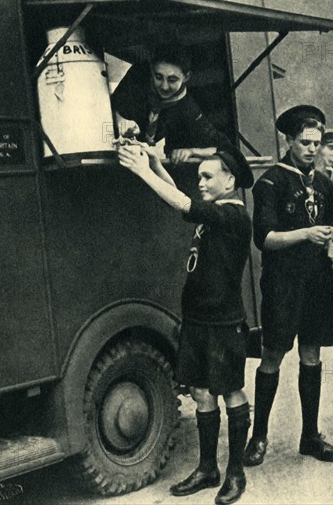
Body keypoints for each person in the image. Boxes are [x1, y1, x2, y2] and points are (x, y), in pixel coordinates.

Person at [118, 141, 254, 505]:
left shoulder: (234, 215)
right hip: (197, 320)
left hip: (223, 323)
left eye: (208, 176)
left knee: (229, 391)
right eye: (199, 177)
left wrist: (142, 170)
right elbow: (183, 200)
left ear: (230, 180)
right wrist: (154, 163)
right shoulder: (213, 211)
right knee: (201, 392)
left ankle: (235, 473)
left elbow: (184, 203)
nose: (202, 182)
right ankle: (208, 469)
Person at [244, 105, 333, 467]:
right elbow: (264, 239)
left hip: (317, 282)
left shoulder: (326, 184)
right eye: (305, 142)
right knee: (272, 354)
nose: (312, 149)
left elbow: (331, 233)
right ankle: (258, 436)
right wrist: (305, 233)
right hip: (283, 283)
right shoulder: (269, 182)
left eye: (317, 143)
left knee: (312, 355)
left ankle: (310, 436)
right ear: (288, 140)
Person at [111, 44, 230, 163]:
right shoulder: (137, 77)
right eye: (158, 77)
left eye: (172, 80)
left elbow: (226, 149)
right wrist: (121, 121)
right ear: (152, 69)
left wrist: (192, 151)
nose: (164, 86)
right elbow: (110, 107)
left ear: (187, 77)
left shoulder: (189, 109)